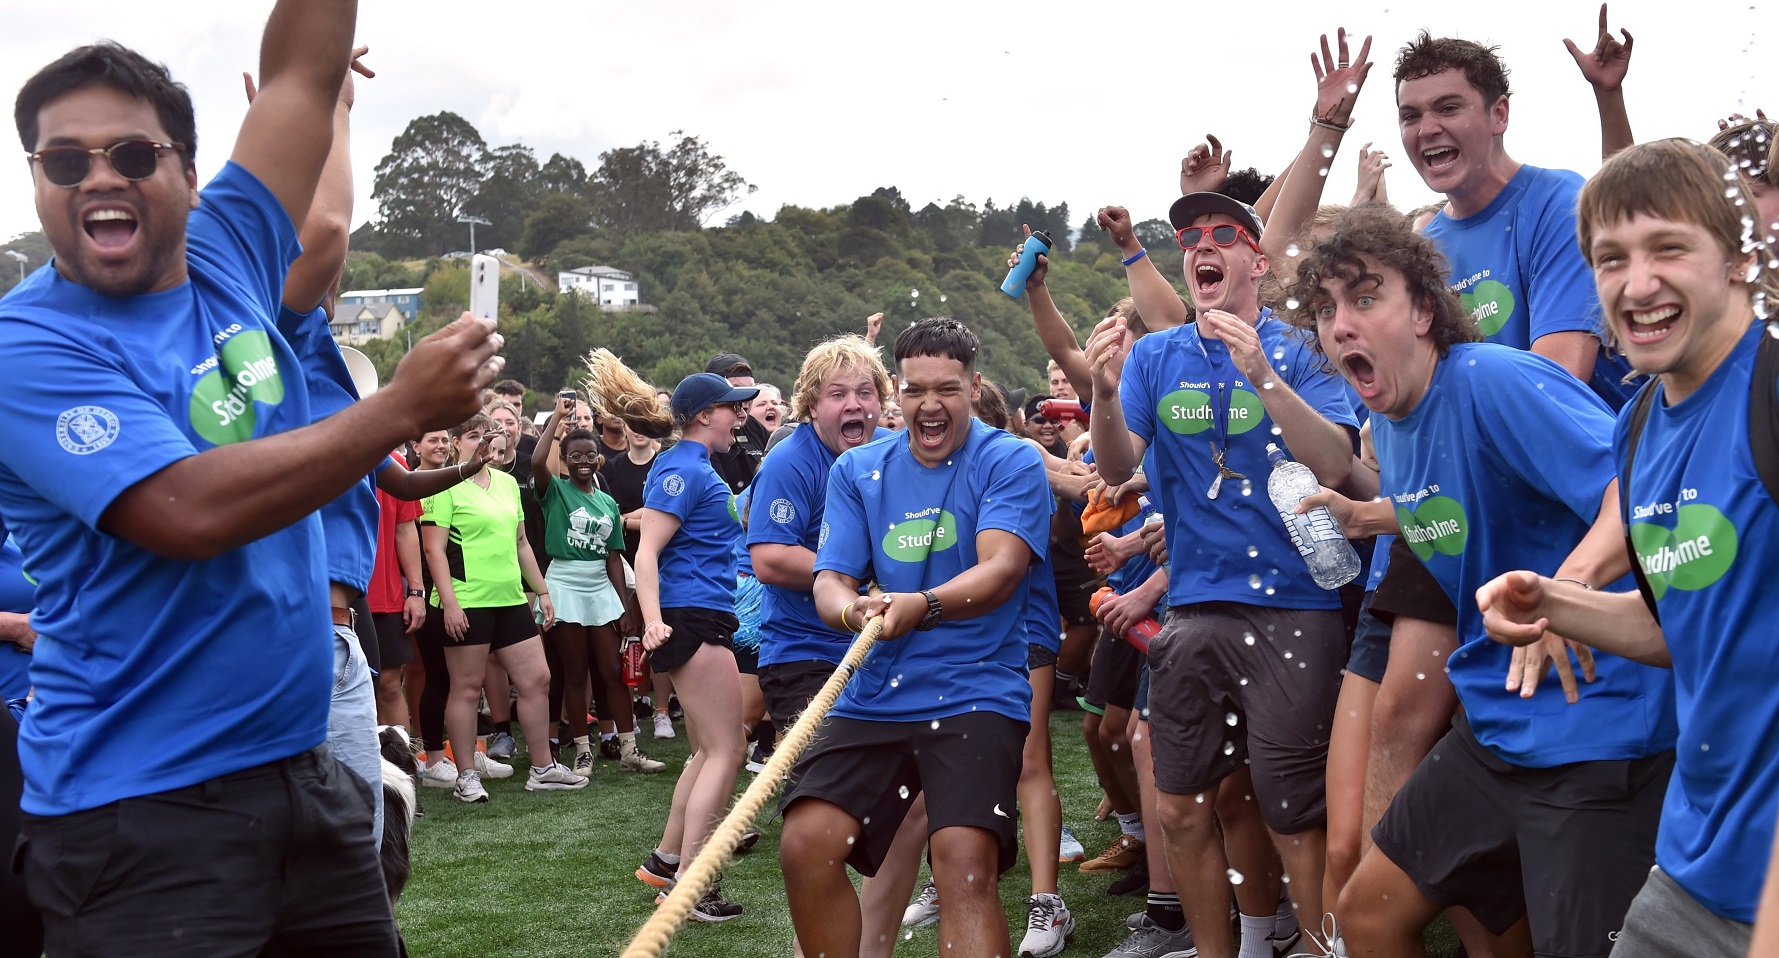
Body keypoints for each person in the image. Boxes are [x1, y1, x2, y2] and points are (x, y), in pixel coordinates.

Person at [0, 13, 504, 953]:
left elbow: (301, 82)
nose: (99, 176)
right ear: (37, 183)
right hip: (140, 815)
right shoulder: (26, 346)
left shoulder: (227, 249)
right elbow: (187, 508)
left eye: (131, 154)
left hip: (298, 773)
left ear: (190, 173)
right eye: (63, 162)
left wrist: (332, 83)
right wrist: (396, 410)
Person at [1282, 202, 1678, 958]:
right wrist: (1374, 516)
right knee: (1367, 913)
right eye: (1327, 309)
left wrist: (1566, 590)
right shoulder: (1394, 418)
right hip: (1495, 726)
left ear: (1425, 310)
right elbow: (1461, 495)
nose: (1340, 325)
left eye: (1365, 298)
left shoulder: (1492, 378)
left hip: (1594, 735)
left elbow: (1637, 486)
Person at [1477, 139, 1779, 957]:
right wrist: (1554, 603)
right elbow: (1675, 628)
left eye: (1668, 248)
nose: (1635, 284)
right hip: (1692, 866)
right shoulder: (1637, 426)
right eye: (1609, 259)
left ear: (1739, 261)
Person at [1087, 186, 1367, 958]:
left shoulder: (1301, 347)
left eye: (1221, 233)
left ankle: (1315, 948)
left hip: (1294, 608)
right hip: (1192, 606)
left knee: (1291, 813)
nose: (1200, 245)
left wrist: (1263, 377)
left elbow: (1337, 464)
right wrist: (1103, 397)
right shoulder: (1154, 355)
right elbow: (1114, 469)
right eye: (1188, 237)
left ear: (1257, 258)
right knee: (1179, 808)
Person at [778, 317, 1051, 958]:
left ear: (974, 386)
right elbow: (830, 582)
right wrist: (854, 613)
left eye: (948, 389)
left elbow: (1002, 568)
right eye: (915, 389)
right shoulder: (857, 470)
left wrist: (920, 605)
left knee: (964, 861)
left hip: (977, 688)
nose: (930, 404)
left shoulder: (1010, 458)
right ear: (897, 393)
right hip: (874, 693)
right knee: (805, 844)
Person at [1394, 30, 1637, 408]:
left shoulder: (1560, 202)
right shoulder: (1423, 250)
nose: (1427, 129)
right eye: (1411, 116)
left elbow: (1557, 380)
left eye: (1448, 108)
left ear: (1499, 115)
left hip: (1613, 459)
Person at [629, 371, 759, 921]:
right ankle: (691, 882)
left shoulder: (692, 465)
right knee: (729, 750)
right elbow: (647, 552)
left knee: (710, 750)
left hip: (697, 614)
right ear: (706, 414)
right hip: (691, 618)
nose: (742, 416)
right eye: (734, 408)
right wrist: (653, 622)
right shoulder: (683, 467)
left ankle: (667, 862)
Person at [421, 414, 586, 801]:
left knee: (537, 679)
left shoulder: (509, 483)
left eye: (487, 435)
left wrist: (543, 592)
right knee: (465, 688)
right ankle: (465, 775)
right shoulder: (443, 485)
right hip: (466, 600)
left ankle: (543, 768)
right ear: (457, 442)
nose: (483, 442)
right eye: (473, 435)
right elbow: (433, 550)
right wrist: (449, 603)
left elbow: (522, 544)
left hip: (510, 599)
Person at [531, 394, 663, 776]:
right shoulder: (554, 490)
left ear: (598, 459)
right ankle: (583, 752)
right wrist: (558, 418)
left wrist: (623, 606)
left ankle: (629, 749)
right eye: (575, 456)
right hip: (565, 583)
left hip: (600, 586)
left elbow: (613, 558)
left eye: (590, 455)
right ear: (566, 460)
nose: (584, 461)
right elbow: (538, 461)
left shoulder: (607, 502)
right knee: (574, 672)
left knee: (611, 671)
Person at [705, 351, 772, 492]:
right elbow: (720, 500)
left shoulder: (756, 428)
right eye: (737, 390)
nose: (747, 398)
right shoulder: (703, 437)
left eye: (751, 389)